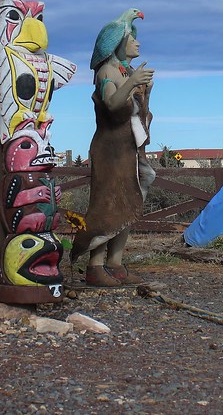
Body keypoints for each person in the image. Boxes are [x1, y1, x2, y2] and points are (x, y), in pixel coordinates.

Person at [70, 21, 156, 286]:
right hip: (111, 149)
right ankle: (95, 266)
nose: (137, 43)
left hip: (129, 146)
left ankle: (115, 263)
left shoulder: (126, 70)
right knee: (109, 204)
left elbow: (136, 111)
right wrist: (132, 83)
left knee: (130, 200)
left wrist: (141, 86)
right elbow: (111, 105)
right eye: (132, 39)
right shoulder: (108, 71)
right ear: (117, 43)